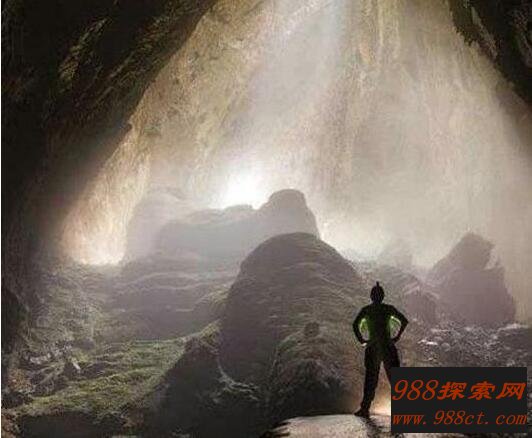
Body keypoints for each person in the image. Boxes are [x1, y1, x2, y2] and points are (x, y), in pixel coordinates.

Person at [352, 281, 408, 418]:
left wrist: (362, 340)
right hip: (388, 347)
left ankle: (365, 409)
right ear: (383, 296)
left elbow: (355, 325)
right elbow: (404, 321)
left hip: (372, 348)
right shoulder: (388, 309)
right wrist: (397, 337)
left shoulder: (366, 310)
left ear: (371, 296)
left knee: (371, 380)